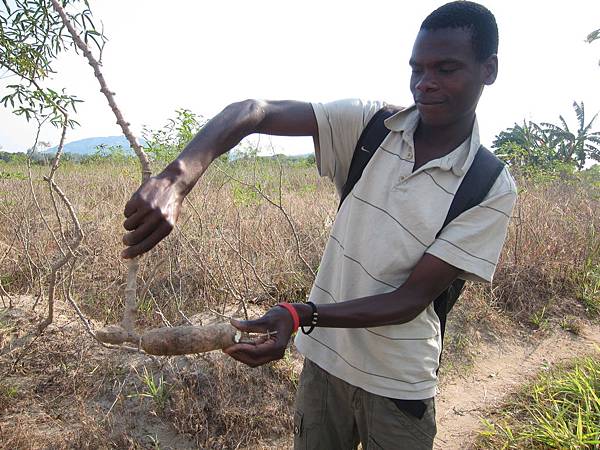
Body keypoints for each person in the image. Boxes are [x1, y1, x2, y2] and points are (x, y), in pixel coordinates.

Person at [122, 2, 517, 448]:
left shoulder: (487, 184)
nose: (425, 84)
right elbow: (254, 110)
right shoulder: (373, 127)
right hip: (324, 364)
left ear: (489, 69)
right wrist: (175, 178)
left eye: (446, 68)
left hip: (399, 381)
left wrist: (300, 314)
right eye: (417, 68)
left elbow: (408, 301)